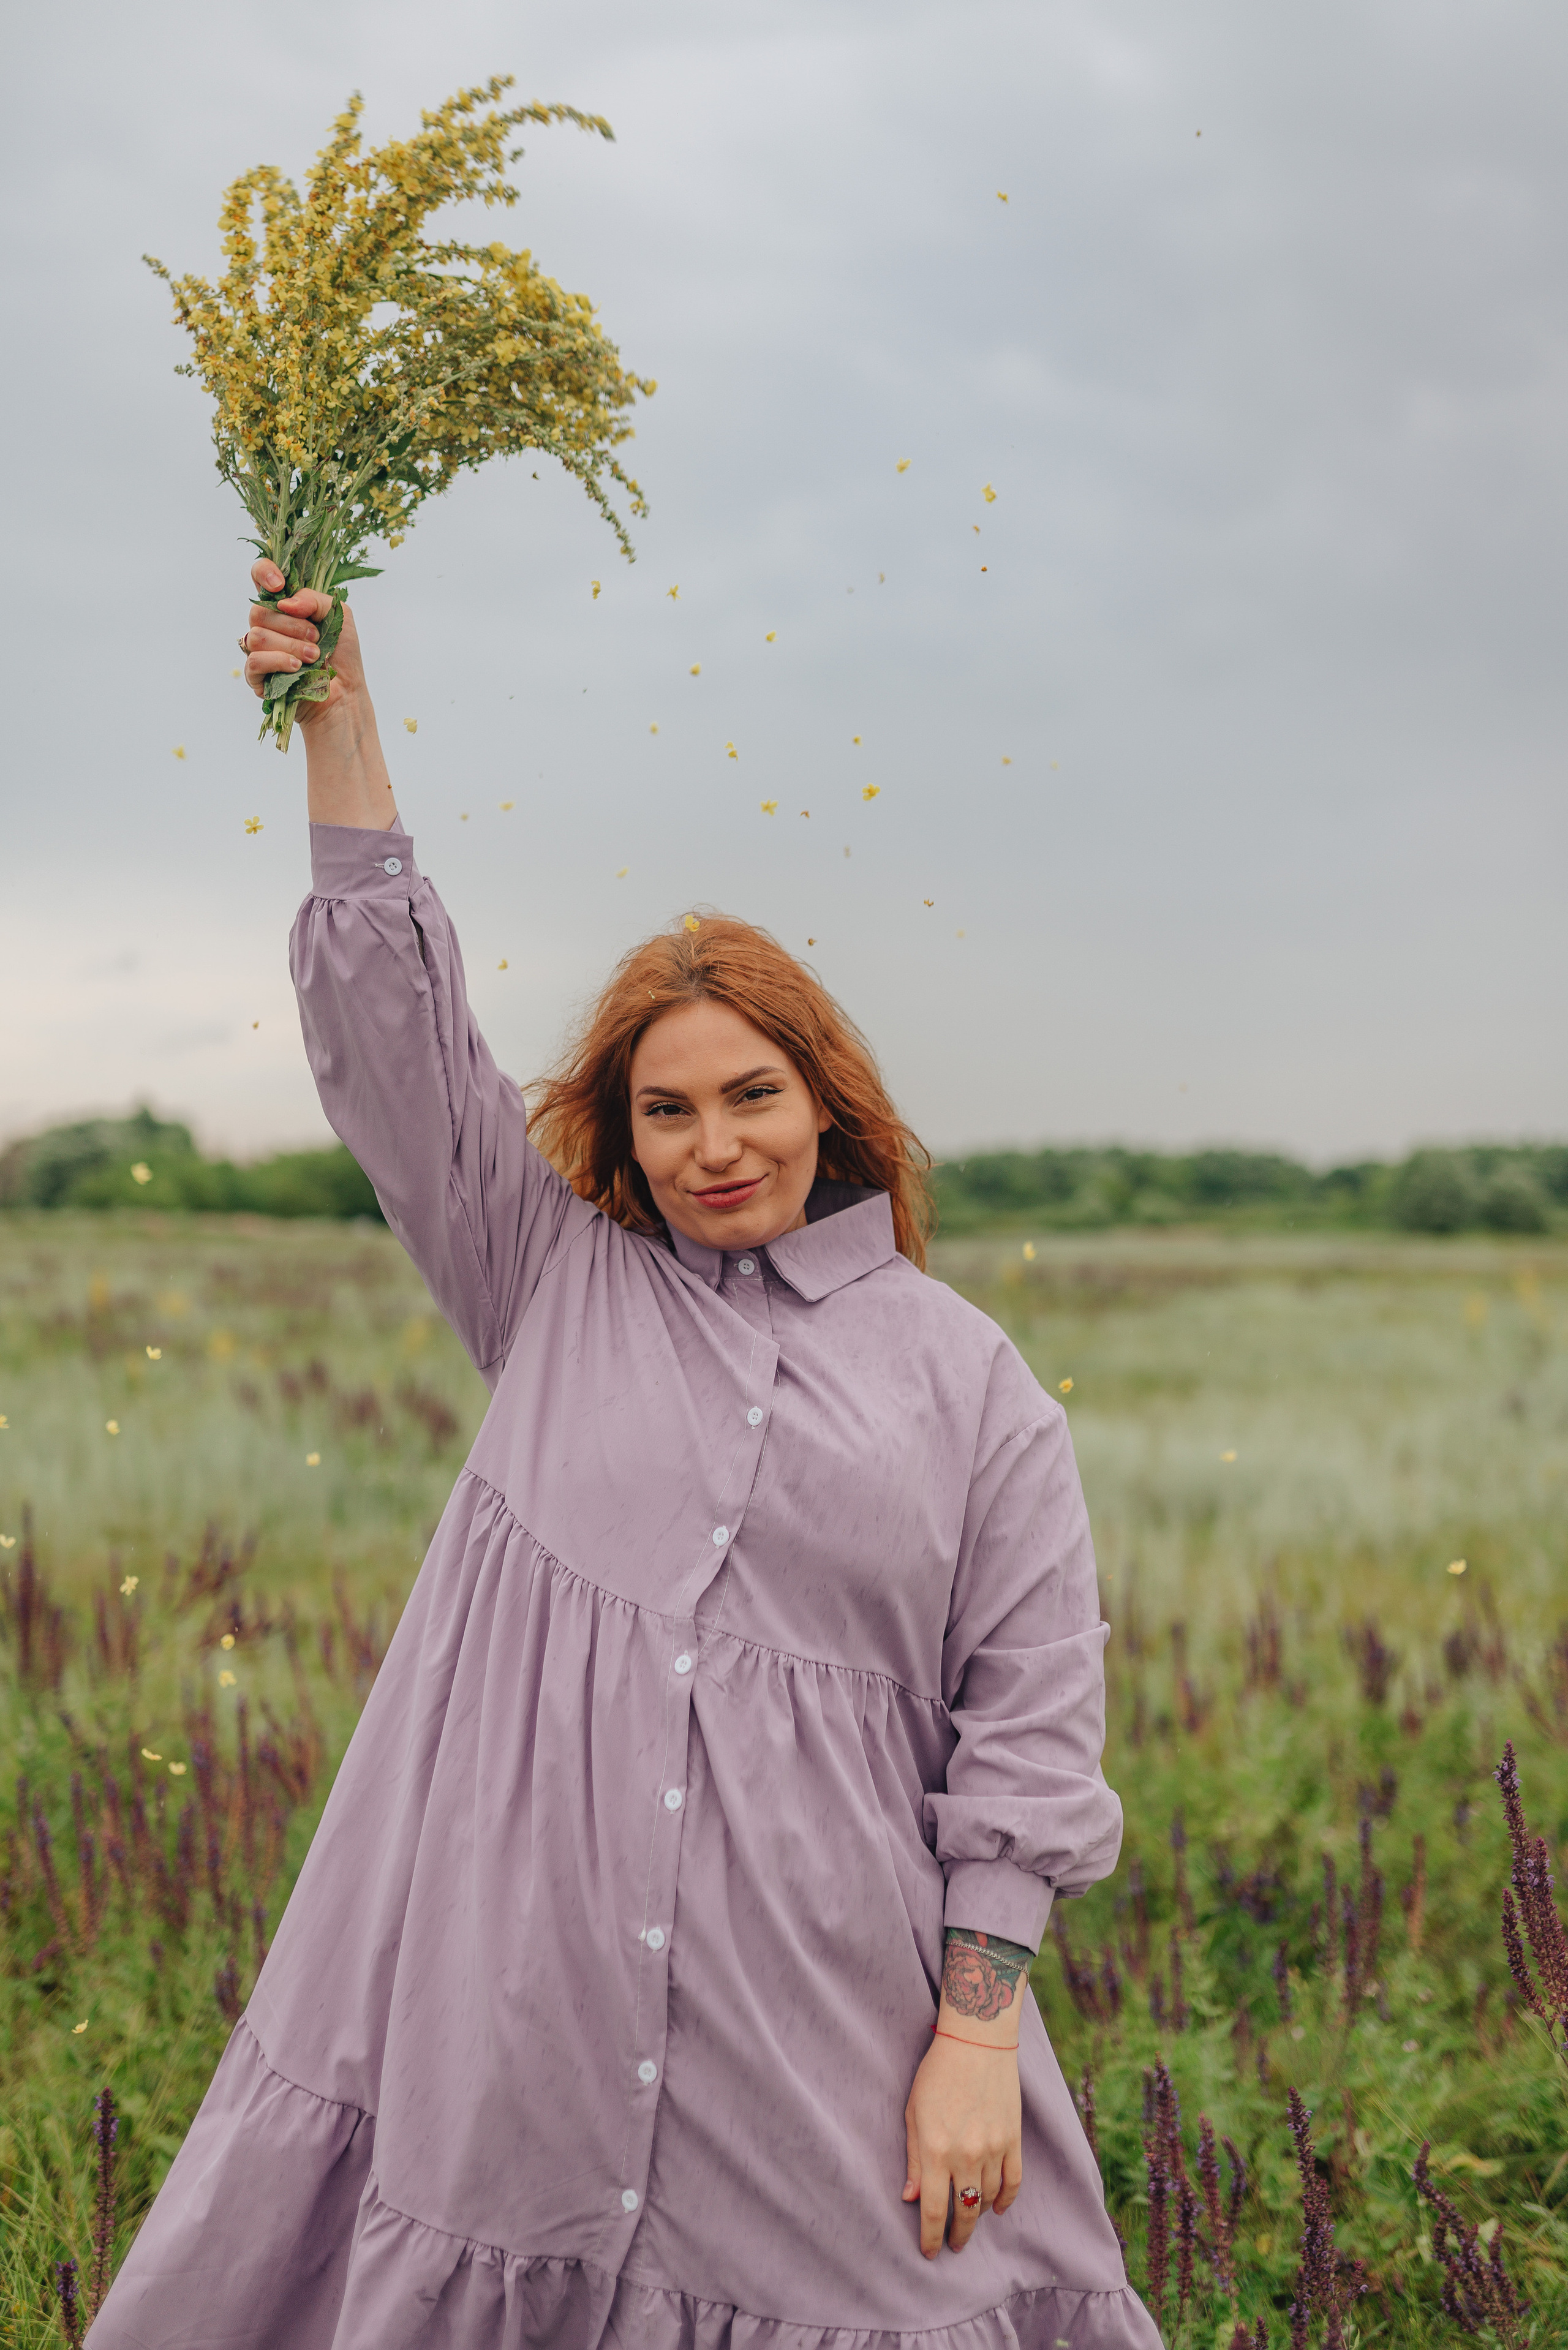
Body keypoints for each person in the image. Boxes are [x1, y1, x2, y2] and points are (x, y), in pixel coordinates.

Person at [91, 565, 1158, 2350]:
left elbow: (1034, 1728)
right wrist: (340, 715)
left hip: (826, 2029)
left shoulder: (972, 1384)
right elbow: (398, 1044)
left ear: (828, 1102)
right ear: (621, 1131)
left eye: (751, 1096)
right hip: (517, 2006)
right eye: (666, 1109)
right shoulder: (551, 1280)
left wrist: (977, 2035)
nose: (713, 1146)